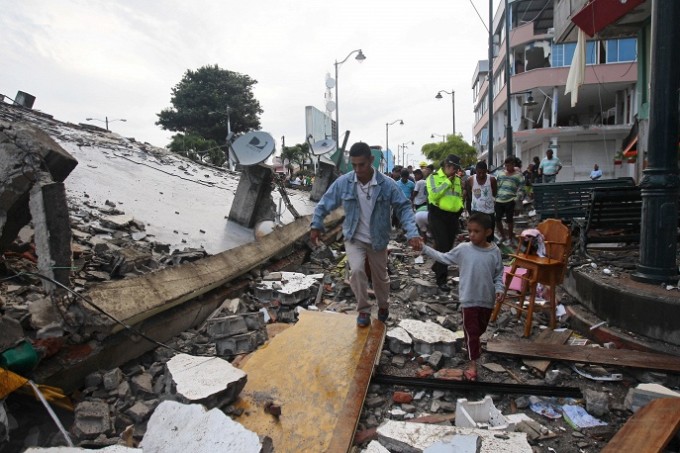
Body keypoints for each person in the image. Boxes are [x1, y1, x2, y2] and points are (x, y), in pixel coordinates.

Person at [310, 142, 423, 327]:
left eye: (361, 164)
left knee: (380, 277)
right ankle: (363, 310)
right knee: (356, 271)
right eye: (353, 165)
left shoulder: (387, 184)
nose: (357, 169)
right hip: (354, 237)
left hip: (378, 239)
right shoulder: (344, 182)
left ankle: (383, 305)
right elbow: (325, 203)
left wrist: (412, 233)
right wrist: (316, 225)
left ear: (371, 160)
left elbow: (403, 207)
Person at [421, 212, 504, 381]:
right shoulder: (464, 249)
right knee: (472, 332)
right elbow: (444, 257)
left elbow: (498, 275)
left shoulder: (495, 252)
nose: (472, 234)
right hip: (468, 299)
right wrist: (424, 248)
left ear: (488, 232)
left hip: (486, 300)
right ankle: (473, 365)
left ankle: (472, 349)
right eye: (470, 230)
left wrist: (500, 289)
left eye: (476, 231)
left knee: (478, 330)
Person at [427, 154, 464, 292]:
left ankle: (437, 266)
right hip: (438, 216)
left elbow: (458, 196)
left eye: (456, 168)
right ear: (447, 166)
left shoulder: (458, 180)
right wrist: (448, 181)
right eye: (453, 167)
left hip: (453, 217)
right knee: (442, 246)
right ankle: (441, 279)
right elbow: (434, 195)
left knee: (448, 248)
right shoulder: (434, 178)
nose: (455, 171)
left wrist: (460, 208)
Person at [465, 161, 497, 242]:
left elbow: (495, 193)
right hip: (476, 211)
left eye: (484, 172)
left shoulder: (492, 179)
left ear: (487, 171)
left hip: (489, 212)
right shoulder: (470, 179)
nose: (481, 175)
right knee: (476, 235)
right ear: (476, 170)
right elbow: (469, 194)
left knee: (489, 235)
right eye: (479, 172)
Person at [494, 156, 523, 245]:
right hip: (499, 200)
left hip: (510, 200)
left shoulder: (518, 175)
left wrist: (516, 198)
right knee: (497, 219)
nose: (507, 167)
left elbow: (522, 188)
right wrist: (495, 196)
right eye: (506, 165)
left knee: (509, 220)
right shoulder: (501, 174)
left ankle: (510, 238)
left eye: (509, 165)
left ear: (513, 165)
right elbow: (496, 185)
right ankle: (503, 237)